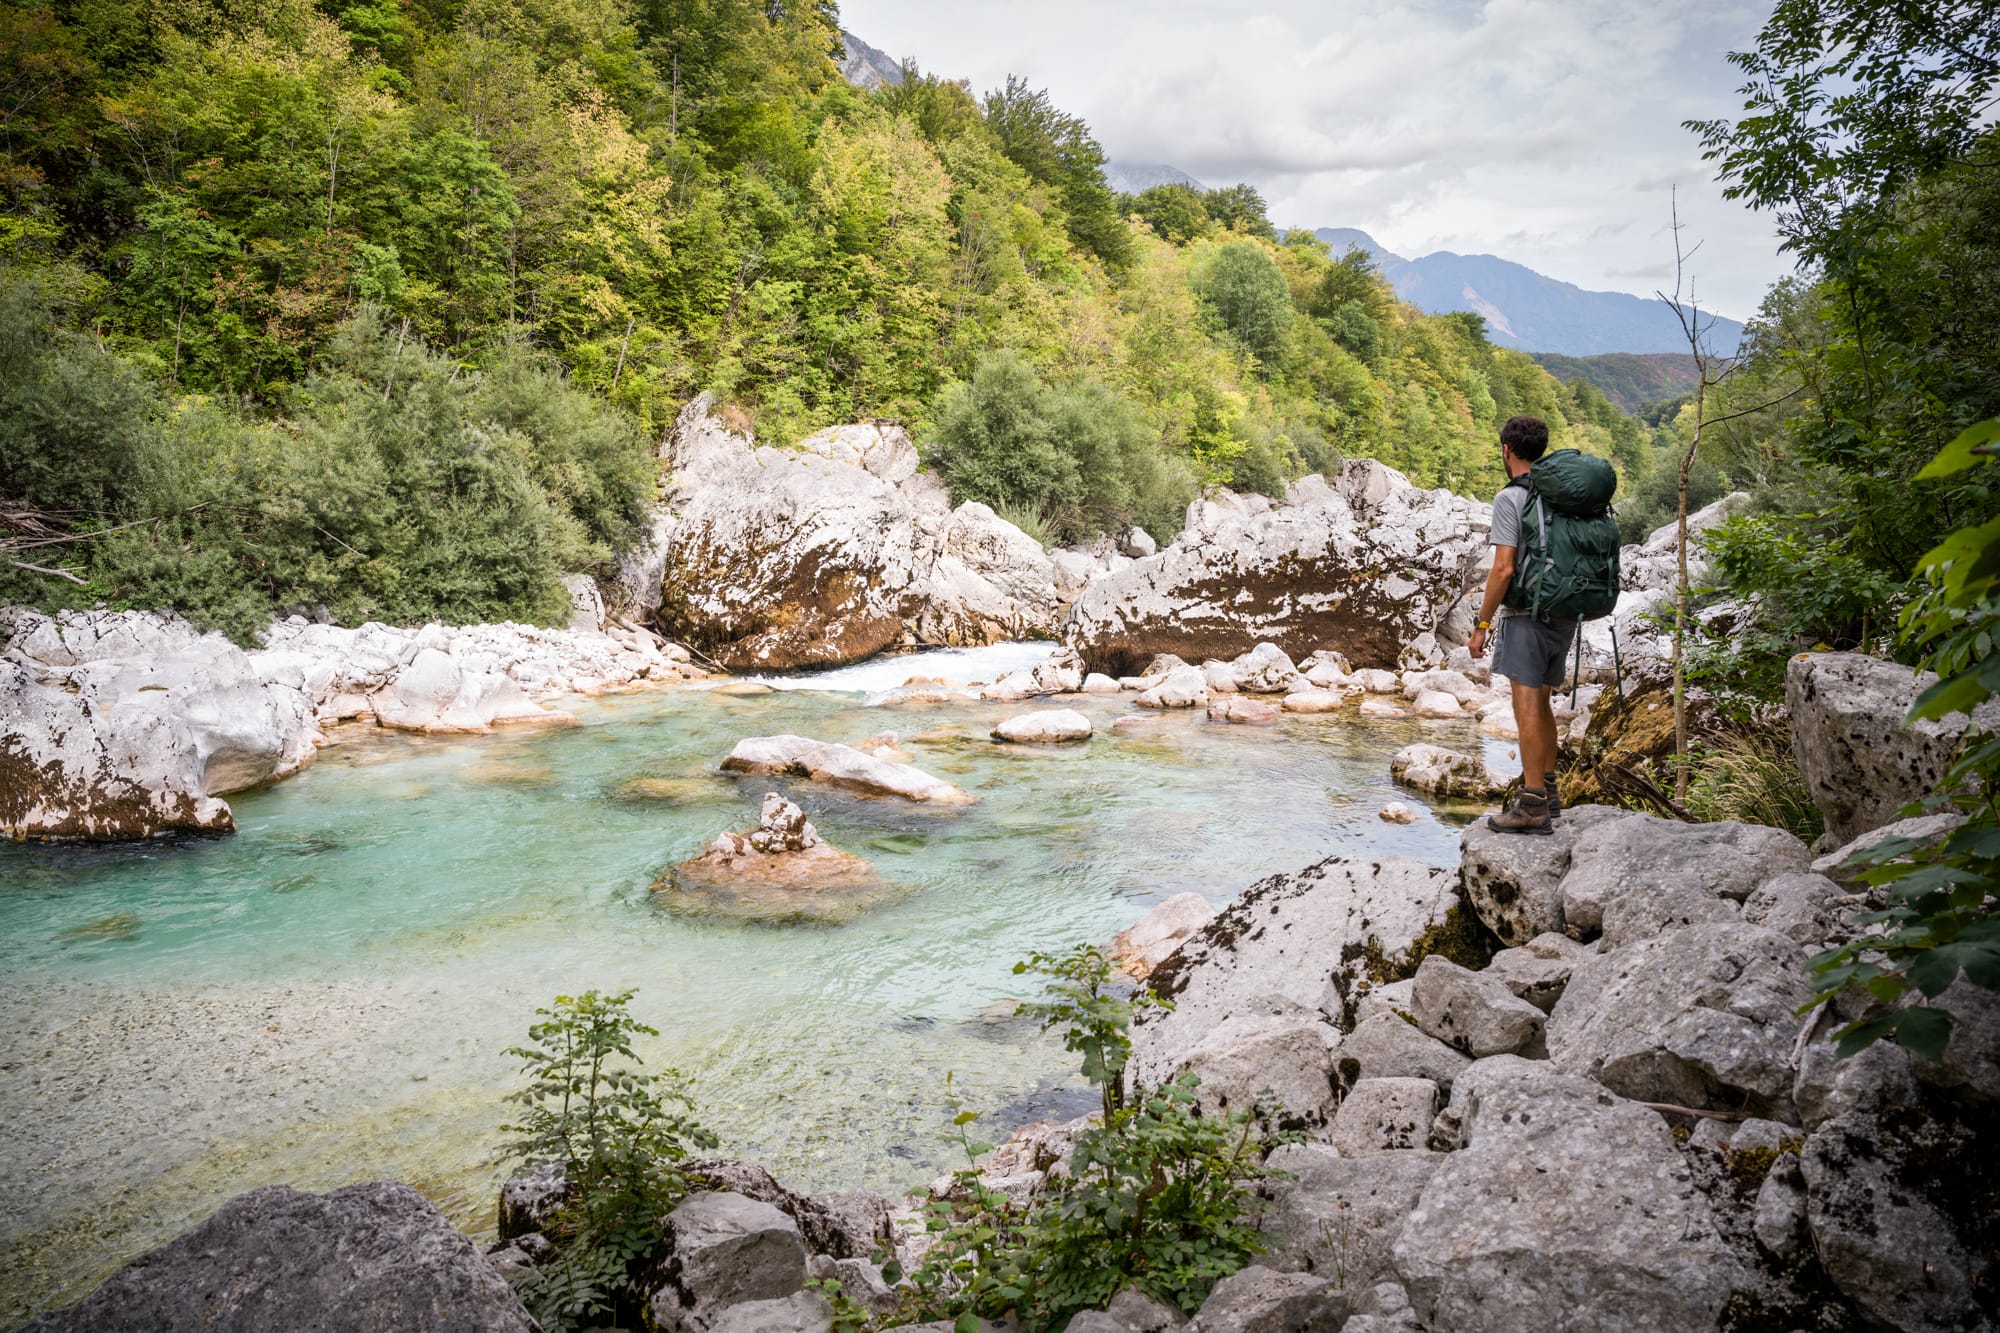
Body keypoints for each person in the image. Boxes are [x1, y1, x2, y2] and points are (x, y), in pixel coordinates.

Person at [1467, 415, 1570, 835]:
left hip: (1527, 611)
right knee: (1542, 702)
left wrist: (1482, 623)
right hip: (1565, 608)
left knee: (1525, 704)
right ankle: (1549, 791)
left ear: (1507, 450)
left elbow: (1503, 569)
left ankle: (1531, 806)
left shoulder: (1510, 498)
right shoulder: (1560, 493)